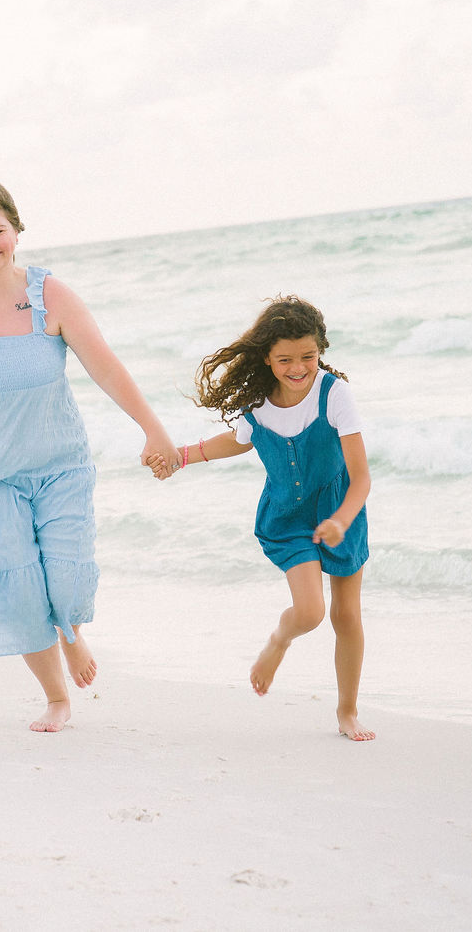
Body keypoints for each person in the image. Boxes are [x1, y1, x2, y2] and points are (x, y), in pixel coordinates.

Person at [0, 178, 179, 732]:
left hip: (56, 466)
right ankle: (57, 697)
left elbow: (105, 366)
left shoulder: (51, 295)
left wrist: (153, 430)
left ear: (17, 232)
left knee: (65, 584)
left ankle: (69, 627)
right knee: (19, 593)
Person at [166, 296, 374, 741]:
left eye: (308, 356)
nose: (298, 368)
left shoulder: (335, 394)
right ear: (267, 358)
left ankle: (347, 711)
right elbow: (237, 441)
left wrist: (341, 519)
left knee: (346, 617)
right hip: (288, 517)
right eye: (285, 359)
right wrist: (182, 456)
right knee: (310, 612)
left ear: (321, 350)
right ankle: (278, 641)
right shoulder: (258, 402)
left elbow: (361, 479)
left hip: (341, 511)